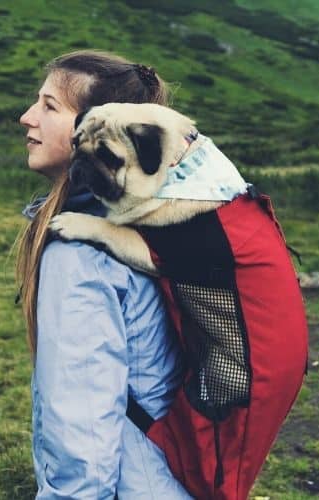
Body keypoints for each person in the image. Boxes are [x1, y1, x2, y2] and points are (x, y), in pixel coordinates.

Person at [15, 50, 193, 499]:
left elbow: (84, 442)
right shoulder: (152, 219)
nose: (27, 117)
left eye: (50, 106)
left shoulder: (81, 252)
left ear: (96, 126)